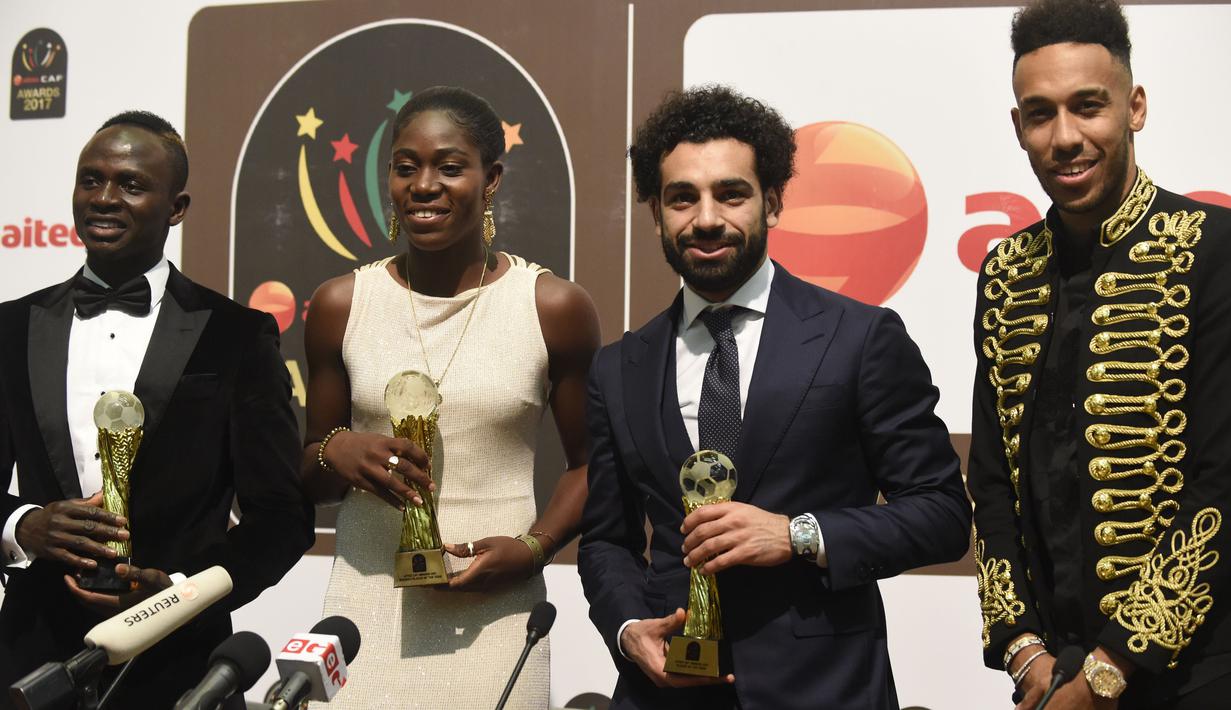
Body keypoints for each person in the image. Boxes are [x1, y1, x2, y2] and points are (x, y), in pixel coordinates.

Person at [578, 85, 971, 710]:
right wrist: (630, 632)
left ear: (774, 202)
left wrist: (798, 535)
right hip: (667, 694)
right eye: (682, 198)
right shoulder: (618, 367)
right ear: (655, 212)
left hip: (826, 690)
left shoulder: (860, 338)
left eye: (731, 193)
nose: (706, 219)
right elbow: (605, 540)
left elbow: (944, 515)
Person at [0, 111, 313, 707]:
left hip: (181, 665)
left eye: (131, 184)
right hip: (28, 658)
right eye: (90, 180)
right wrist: (24, 525)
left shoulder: (238, 335)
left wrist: (175, 593)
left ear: (177, 207)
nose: (105, 198)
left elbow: (280, 517)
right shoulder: (11, 328)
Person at [301, 86, 600, 709]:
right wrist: (337, 451)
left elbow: (592, 465)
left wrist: (533, 550)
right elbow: (311, 476)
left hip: (497, 611)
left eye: (449, 167)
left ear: (490, 179)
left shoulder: (553, 307)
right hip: (363, 612)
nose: (424, 184)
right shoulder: (340, 305)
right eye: (405, 167)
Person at [969, 1, 1231, 707]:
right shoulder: (1006, 273)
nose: (1064, 137)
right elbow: (991, 483)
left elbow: (1220, 483)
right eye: (1039, 113)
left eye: (1088, 107)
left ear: (1134, 107)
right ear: (1018, 125)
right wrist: (1022, 650)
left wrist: (1110, 669)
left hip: (1200, 673)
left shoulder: (1213, 249)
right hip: (1050, 673)